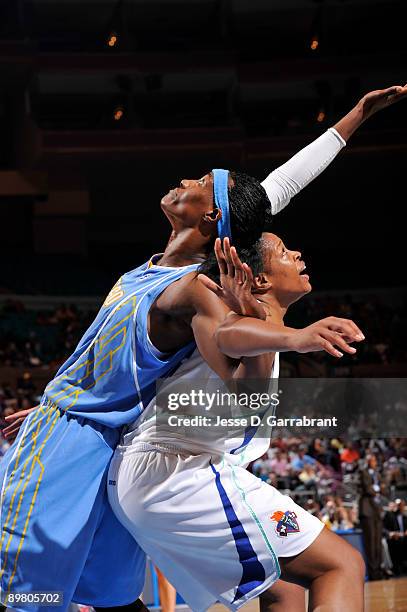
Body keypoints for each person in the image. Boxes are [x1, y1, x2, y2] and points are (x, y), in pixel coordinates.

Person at [2, 84, 406, 611]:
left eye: (197, 182)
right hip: (105, 442)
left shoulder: (200, 289)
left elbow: (229, 342)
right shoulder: (154, 270)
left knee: (45, 595)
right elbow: (272, 192)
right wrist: (351, 118)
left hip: (100, 450)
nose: (184, 180)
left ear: (212, 219)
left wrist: (291, 335)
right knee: (83, 598)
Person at [108, 233, 366, 612]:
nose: (297, 252)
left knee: (283, 586)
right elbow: (230, 338)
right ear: (259, 280)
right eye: (283, 252)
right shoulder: (234, 321)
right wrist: (297, 338)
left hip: (159, 472)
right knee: (342, 564)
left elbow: (247, 389)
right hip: (175, 472)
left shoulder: (256, 323)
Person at [358, 454, 384, 580]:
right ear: (368, 462)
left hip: (377, 510)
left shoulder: (378, 474)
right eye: (371, 460)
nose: (373, 462)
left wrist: (380, 489)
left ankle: (379, 569)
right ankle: (373, 572)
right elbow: (368, 489)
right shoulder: (364, 473)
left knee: (378, 541)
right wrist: (378, 489)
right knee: (371, 542)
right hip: (367, 510)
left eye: (374, 460)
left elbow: (385, 488)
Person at [383, 498, 407, 575]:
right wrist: (391, 533)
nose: (400, 507)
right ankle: (397, 568)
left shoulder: (404, 517)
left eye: (402, 505)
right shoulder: (390, 515)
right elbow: (383, 528)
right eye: (399, 505)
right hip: (394, 539)